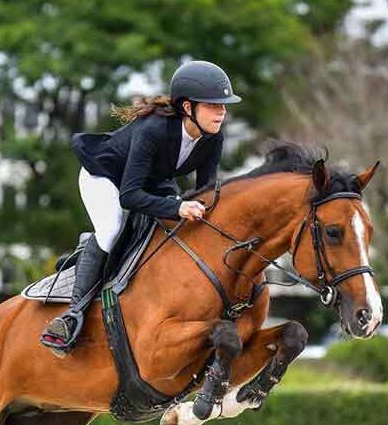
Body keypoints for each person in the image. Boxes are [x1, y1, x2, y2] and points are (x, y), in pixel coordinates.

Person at [40, 60, 242, 355]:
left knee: (179, 226)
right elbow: (129, 197)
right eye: (213, 105)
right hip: (105, 176)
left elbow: (205, 193)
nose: (222, 111)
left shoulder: (213, 137)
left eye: (223, 105)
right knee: (111, 230)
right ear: (188, 108)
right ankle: (72, 317)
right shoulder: (154, 129)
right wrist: (178, 208)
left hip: (151, 181)